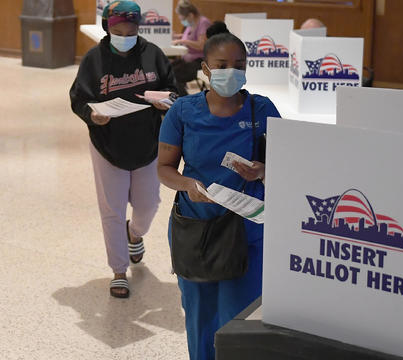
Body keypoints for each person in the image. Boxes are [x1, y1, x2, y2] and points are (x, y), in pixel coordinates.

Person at [157, 30, 281, 360]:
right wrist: (188, 186)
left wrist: (263, 170)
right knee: (201, 319)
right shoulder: (183, 111)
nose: (231, 71)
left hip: (247, 232)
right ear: (206, 67)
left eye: (239, 64)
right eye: (222, 64)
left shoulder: (261, 110)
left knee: (238, 321)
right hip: (196, 230)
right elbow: (165, 168)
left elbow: (288, 164)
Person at [69, 1, 177, 298]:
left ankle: (135, 234)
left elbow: (175, 90)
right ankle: (118, 270)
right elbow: (79, 99)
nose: (126, 32)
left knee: (149, 205)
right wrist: (92, 115)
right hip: (107, 144)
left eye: (131, 27)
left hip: (148, 143)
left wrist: (165, 101)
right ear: (108, 27)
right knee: (111, 211)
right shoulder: (93, 59)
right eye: (119, 28)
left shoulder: (153, 54)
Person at [171, 0, 212, 96]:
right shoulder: (191, 24)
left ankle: (184, 99)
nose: (181, 20)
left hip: (200, 62)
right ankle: (180, 97)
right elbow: (189, 37)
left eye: (182, 18)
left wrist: (182, 41)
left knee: (174, 75)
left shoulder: (203, 23)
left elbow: (201, 45)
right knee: (167, 69)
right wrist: (177, 36)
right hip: (187, 60)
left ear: (190, 15)